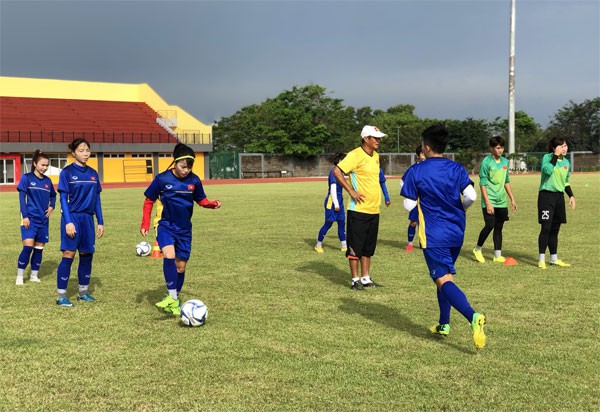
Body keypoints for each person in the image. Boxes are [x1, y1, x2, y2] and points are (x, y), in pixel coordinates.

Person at [400, 124, 486, 349]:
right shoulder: (456, 168)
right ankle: (443, 324)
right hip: (456, 232)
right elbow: (471, 196)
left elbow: (408, 203)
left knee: (443, 279)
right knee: (445, 277)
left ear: (426, 147)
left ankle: (473, 316)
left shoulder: (417, 170)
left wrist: (418, 202)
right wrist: (461, 209)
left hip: (433, 234)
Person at [140, 143, 221, 316]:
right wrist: (145, 223)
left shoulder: (194, 180)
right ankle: (172, 297)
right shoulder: (162, 179)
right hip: (166, 226)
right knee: (169, 255)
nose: (186, 170)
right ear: (174, 163)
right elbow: (148, 201)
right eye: (183, 166)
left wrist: (211, 204)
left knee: (181, 268)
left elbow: (201, 200)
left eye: (189, 167)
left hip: (185, 230)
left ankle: (174, 301)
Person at [332, 125, 387, 291]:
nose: (379, 141)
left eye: (379, 138)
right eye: (375, 138)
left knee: (368, 248)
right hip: (358, 210)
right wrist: (351, 191)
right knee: (355, 246)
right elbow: (337, 171)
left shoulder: (376, 156)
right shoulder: (355, 154)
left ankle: (365, 278)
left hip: (373, 210)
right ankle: (355, 280)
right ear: (366, 139)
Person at [56, 139, 104, 307]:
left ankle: (83, 292)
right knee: (69, 255)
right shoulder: (67, 172)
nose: (86, 153)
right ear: (74, 153)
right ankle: (61, 296)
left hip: (88, 219)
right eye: (82, 150)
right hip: (73, 218)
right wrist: (68, 222)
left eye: (88, 150)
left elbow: (97, 199)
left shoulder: (93, 173)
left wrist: (100, 221)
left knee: (87, 254)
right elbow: (62, 198)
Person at [472, 136, 517, 263]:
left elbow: (506, 181)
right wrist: (487, 203)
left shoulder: (505, 162)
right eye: (497, 148)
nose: (500, 150)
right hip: (490, 201)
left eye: (502, 147)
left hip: (501, 201)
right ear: (491, 148)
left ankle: (497, 256)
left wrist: (512, 199)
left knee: (499, 227)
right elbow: (482, 183)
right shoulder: (486, 162)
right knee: (490, 224)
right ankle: (477, 248)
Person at [16, 150, 56, 285]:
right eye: (42, 165)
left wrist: (52, 206)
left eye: (47, 165)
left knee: (39, 249)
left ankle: (34, 275)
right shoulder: (26, 178)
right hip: (30, 219)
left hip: (43, 220)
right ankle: (20, 276)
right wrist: (25, 216)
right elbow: (22, 198)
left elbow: (53, 195)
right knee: (27, 247)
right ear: (35, 163)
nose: (44, 168)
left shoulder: (48, 181)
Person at [537, 137, 575, 269]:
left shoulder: (566, 162)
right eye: (561, 146)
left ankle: (554, 258)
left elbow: (565, 181)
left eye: (565, 146)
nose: (564, 148)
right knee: (546, 228)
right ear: (554, 148)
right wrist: (554, 156)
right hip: (546, 197)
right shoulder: (547, 158)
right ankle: (541, 259)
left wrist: (571, 195)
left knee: (555, 230)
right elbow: (547, 171)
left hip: (559, 198)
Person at [315, 153, 348, 253]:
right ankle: (318, 245)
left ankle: (344, 246)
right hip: (332, 203)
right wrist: (336, 204)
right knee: (328, 224)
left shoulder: (341, 173)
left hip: (339, 202)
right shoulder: (334, 172)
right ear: (339, 161)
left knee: (342, 223)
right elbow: (333, 188)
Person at [402, 145, 425, 252]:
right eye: (422, 153)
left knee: (425, 223)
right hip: (416, 200)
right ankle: (410, 243)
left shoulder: (431, 167)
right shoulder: (413, 168)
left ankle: (423, 243)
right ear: (418, 155)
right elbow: (403, 181)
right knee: (414, 222)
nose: (424, 156)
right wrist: (410, 195)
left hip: (427, 200)